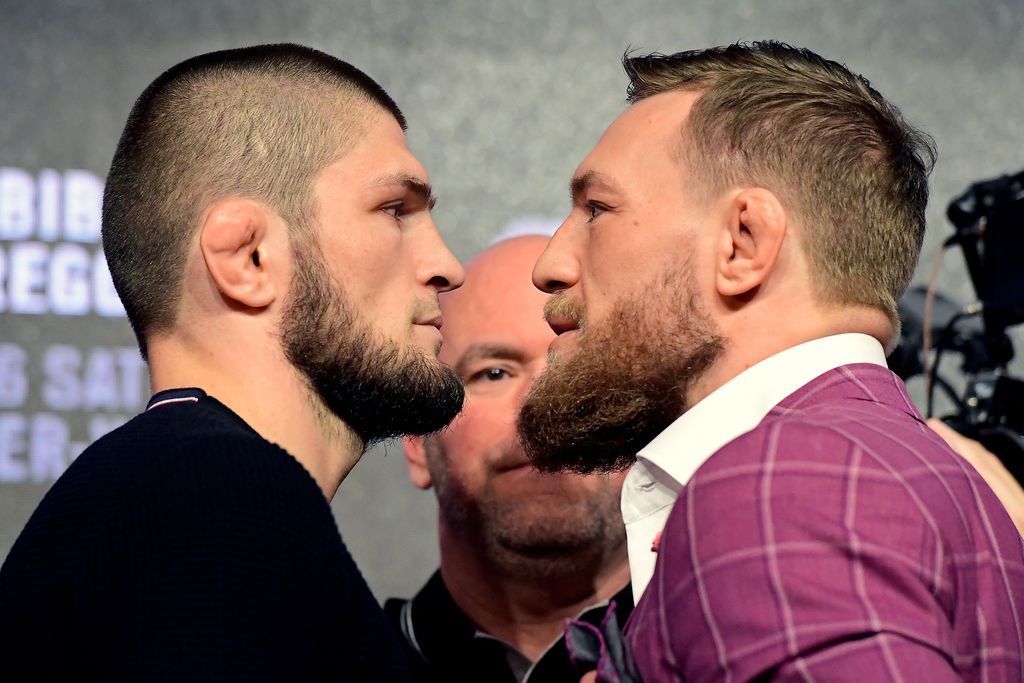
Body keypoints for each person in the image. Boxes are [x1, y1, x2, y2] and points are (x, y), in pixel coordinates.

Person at [519, 42, 1024, 681]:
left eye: (597, 210)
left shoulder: (783, 484)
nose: (549, 265)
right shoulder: (949, 484)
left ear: (744, 244)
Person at [0, 44, 465, 681]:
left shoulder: (168, 487)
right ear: (247, 258)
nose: (447, 265)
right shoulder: (214, 491)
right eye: (393, 210)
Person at [388, 235, 631, 682]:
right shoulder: (329, 661)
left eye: (582, 369)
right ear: (417, 441)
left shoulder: (733, 650)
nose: (543, 406)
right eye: (493, 372)